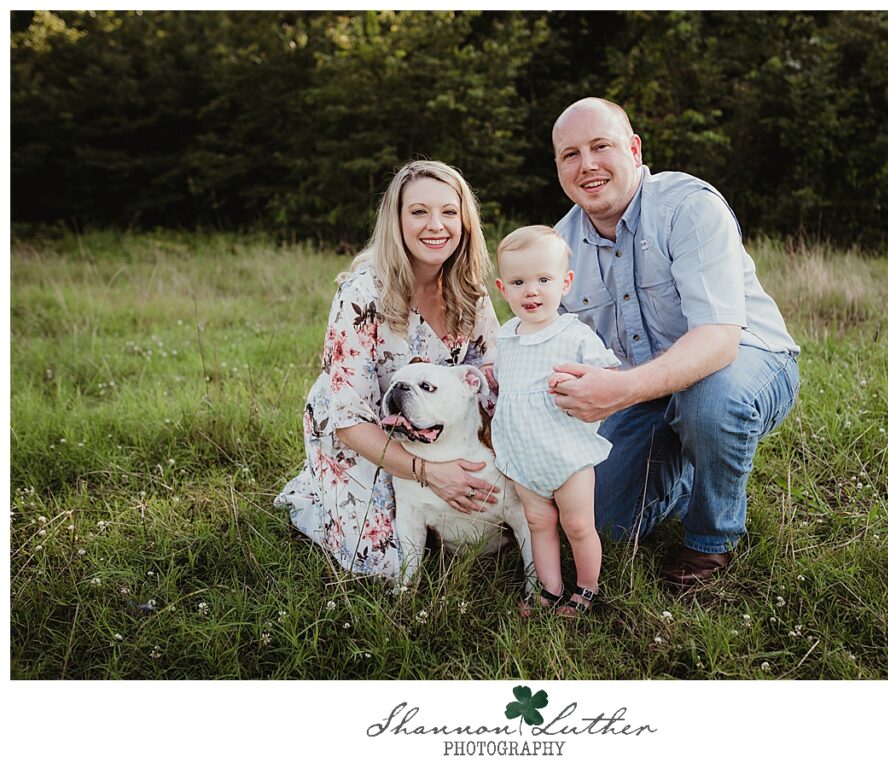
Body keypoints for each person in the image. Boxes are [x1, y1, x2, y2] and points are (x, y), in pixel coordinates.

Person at [548, 97, 801, 590]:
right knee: (600, 520)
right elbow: (555, 349)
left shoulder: (688, 207)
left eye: (601, 146)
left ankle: (710, 539)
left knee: (711, 403)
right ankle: (687, 473)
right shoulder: (559, 248)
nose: (587, 165)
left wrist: (620, 392)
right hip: (645, 390)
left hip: (744, 361)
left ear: (634, 149)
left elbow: (718, 341)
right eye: (571, 154)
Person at [274, 160, 501, 579]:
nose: (436, 225)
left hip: (437, 429)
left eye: (449, 212)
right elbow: (348, 419)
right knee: (385, 563)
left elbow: (494, 377)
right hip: (365, 432)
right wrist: (430, 475)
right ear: (396, 221)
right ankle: (312, 493)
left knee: (484, 532)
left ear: (465, 222)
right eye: (419, 212)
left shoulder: (470, 292)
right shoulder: (361, 293)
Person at [491, 226, 621, 616]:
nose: (531, 291)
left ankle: (587, 588)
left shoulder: (574, 335)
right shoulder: (506, 337)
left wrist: (575, 382)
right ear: (503, 289)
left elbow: (609, 379)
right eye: (519, 282)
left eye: (543, 280)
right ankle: (549, 588)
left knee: (578, 525)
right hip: (524, 455)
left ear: (565, 283)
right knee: (538, 522)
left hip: (567, 455)